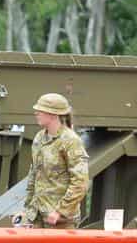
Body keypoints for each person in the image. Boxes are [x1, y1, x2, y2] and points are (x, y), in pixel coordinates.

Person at [19, 93, 89, 229]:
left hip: (60, 221)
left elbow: (80, 182)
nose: (36, 113)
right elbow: (34, 175)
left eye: (40, 111)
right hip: (37, 215)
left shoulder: (70, 141)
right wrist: (27, 208)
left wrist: (60, 211)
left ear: (53, 115)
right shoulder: (39, 138)